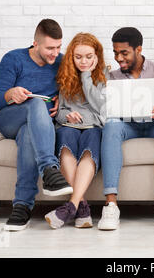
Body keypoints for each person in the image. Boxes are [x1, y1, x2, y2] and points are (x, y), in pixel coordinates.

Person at [0, 19, 73, 231]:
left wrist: (61, 101)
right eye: (49, 48)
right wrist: (11, 93)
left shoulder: (61, 62)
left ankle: (22, 207)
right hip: (9, 118)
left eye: (58, 47)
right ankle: (49, 169)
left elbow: (74, 93)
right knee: (35, 102)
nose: (55, 53)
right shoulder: (13, 58)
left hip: (37, 126)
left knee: (29, 132)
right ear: (35, 44)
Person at [97, 27, 154, 231]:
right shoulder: (112, 76)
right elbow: (103, 110)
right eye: (116, 52)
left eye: (124, 53)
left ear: (138, 49)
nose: (119, 58)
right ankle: (110, 205)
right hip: (128, 126)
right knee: (111, 126)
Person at [44, 33, 109, 229]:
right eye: (78, 57)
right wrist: (67, 116)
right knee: (65, 142)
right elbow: (59, 111)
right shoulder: (65, 77)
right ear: (71, 57)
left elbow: (101, 107)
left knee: (90, 147)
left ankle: (72, 206)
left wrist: (87, 75)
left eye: (89, 56)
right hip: (69, 126)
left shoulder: (105, 75)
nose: (83, 61)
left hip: (94, 127)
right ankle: (82, 207)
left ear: (97, 56)